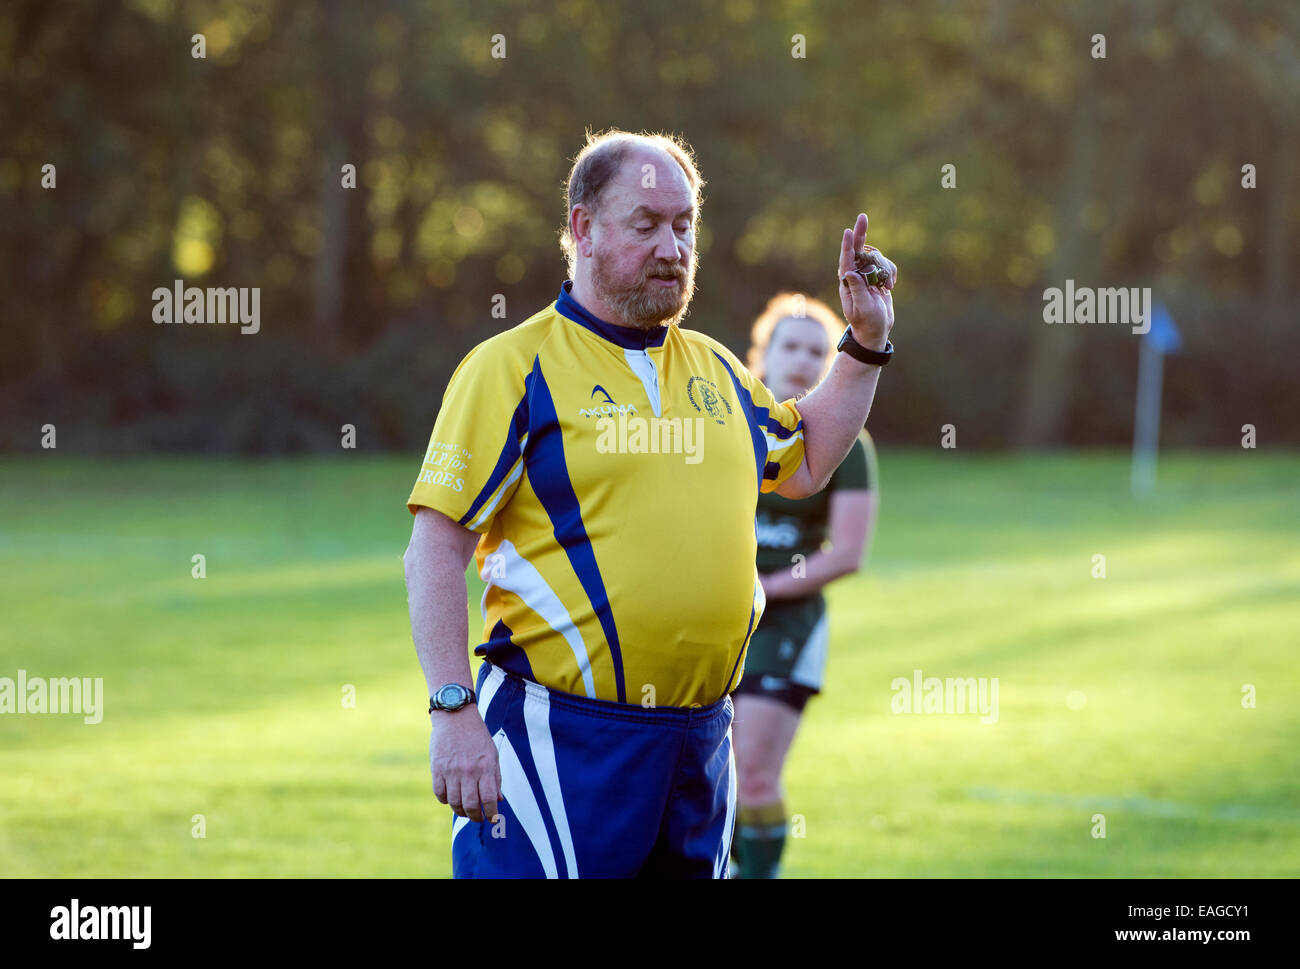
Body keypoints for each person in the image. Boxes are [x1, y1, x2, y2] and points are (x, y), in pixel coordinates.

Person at [401, 127, 898, 878]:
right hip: (561, 741)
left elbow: (804, 462)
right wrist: (452, 710)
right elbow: (436, 548)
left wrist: (863, 343)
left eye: (684, 225)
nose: (672, 246)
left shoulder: (720, 371)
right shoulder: (511, 368)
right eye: (646, 224)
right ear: (583, 230)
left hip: (699, 744)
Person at [729, 293, 880, 879]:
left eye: (818, 350)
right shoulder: (728, 428)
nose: (802, 359)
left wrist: (762, 585)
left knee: (756, 771)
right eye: (789, 346)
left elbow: (846, 553)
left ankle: (760, 873)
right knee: (702, 767)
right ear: (761, 353)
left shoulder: (848, 445)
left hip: (786, 625)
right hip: (714, 620)